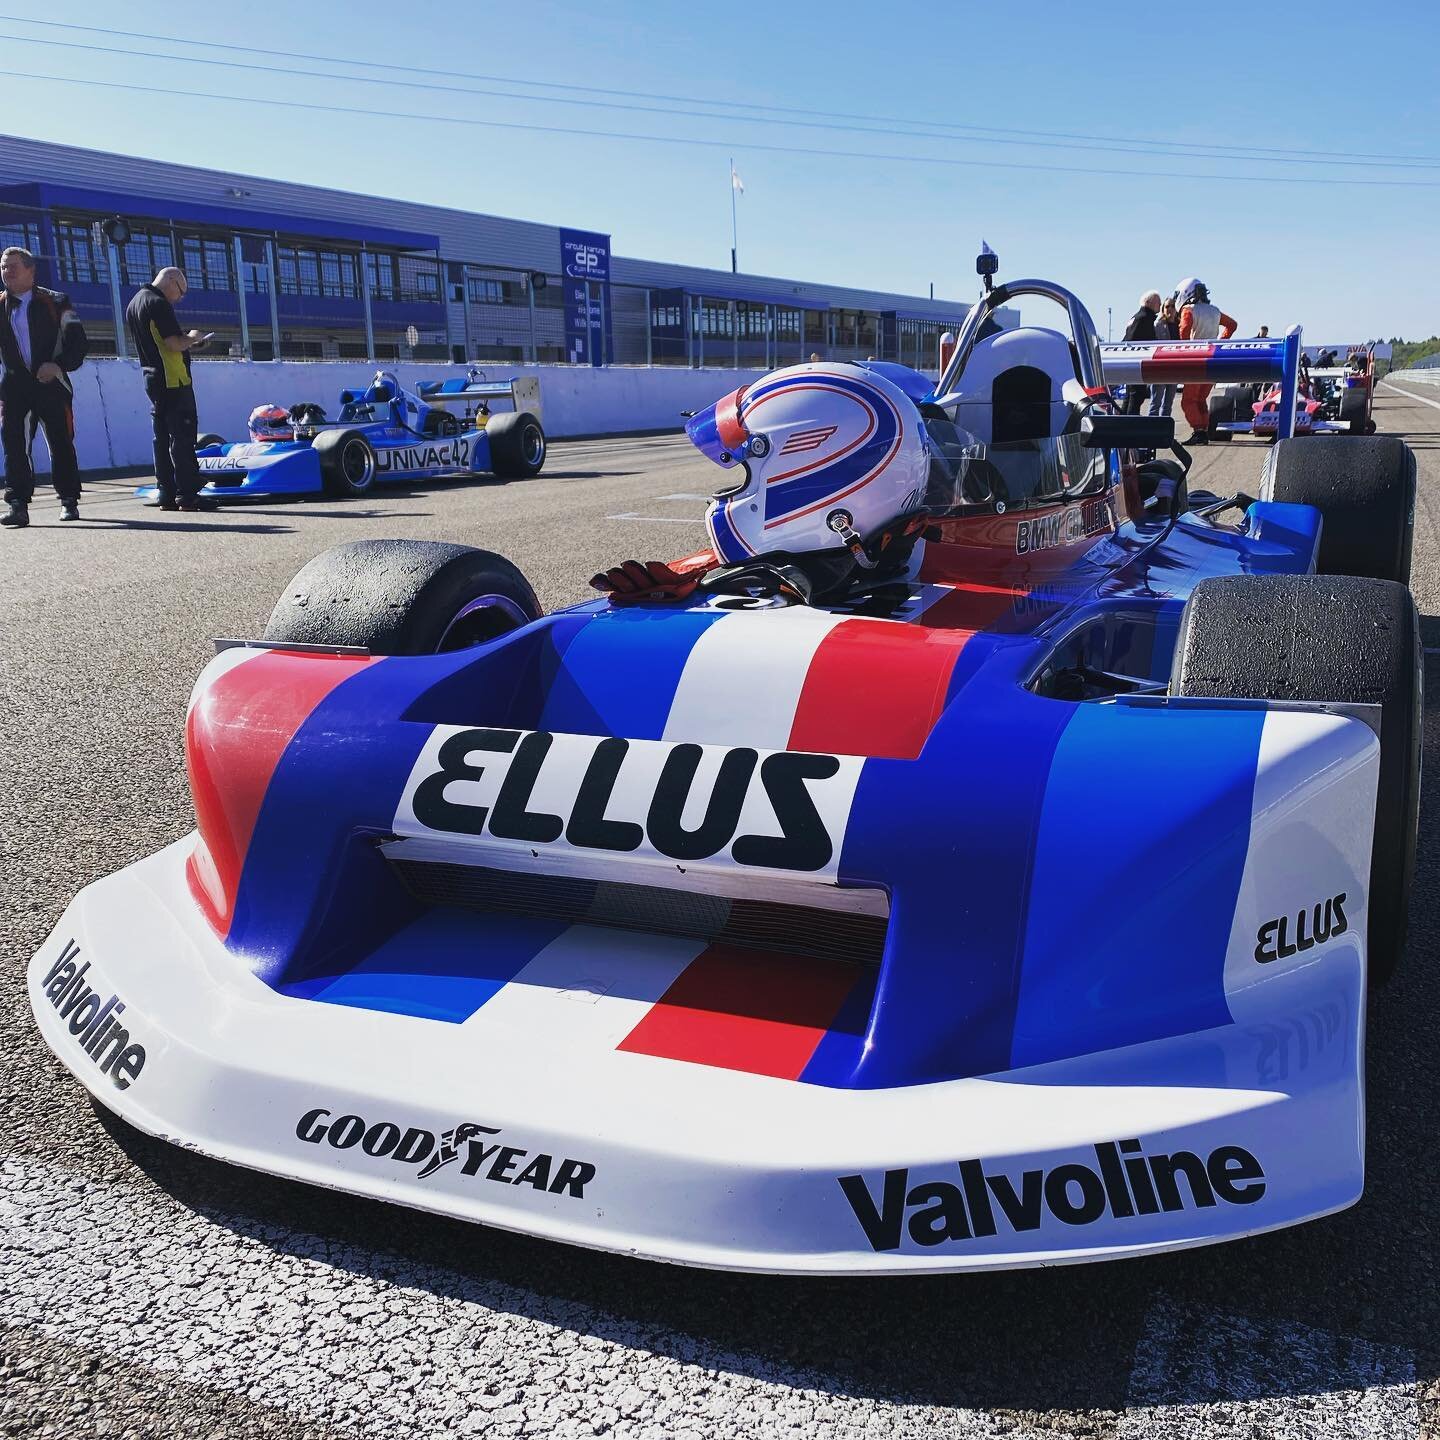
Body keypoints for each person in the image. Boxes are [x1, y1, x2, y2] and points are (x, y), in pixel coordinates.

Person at [0, 246, 87, 528]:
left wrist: (57, 365)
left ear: (30, 270)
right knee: (14, 442)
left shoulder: (57, 302)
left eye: (13, 265)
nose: (7, 272)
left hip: (52, 383)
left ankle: (69, 499)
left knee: (60, 440)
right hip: (14, 387)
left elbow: (78, 344)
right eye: (3, 267)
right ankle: (18, 504)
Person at [125, 266, 215, 511]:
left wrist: (189, 345)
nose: (180, 298)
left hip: (152, 378)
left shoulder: (135, 302)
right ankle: (188, 494)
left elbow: (160, 343)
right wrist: (194, 337)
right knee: (182, 436)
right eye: (181, 291)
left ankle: (166, 490)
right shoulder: (158, 303)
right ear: (172, 282)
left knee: (161, 437)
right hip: (174, 380)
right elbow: (174, 343)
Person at [1177, 280, 1237, 444]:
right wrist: (1220, 341)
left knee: (1189, 400)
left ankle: (1199, 431)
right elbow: (1232, 325)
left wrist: (1184, 349)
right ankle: (1203, 430)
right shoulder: (1215, 310)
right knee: (1201, 399)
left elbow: (1183, 331)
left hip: (1195, 360)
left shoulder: (1188, 310)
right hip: (1213, 360)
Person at [1122, 290, 1161, 413]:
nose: (1160, 305)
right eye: (1158, 302)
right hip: (1136, 363)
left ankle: (1123, 423)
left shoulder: (1136, 317)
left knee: (1130, 396)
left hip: (1130, 363)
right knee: (1136, 395)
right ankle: (1130, 425)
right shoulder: (1144, 318)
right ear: (1149, 303)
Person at [1148, 296, 1182, 417]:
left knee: (1168, 404)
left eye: (1173, 306)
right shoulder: (1157, 325)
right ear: (1163, 308)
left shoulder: (1180, 325)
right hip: (1160, 368)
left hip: (1175, 368)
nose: (1170, 309)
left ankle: (1164, 431)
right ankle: (1151, 431)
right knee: (1155, 402)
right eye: (1167, 306)